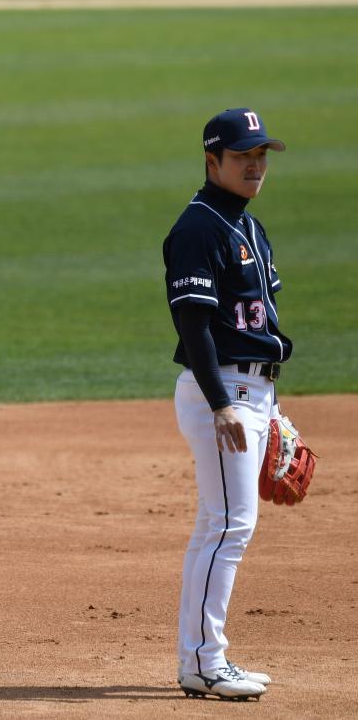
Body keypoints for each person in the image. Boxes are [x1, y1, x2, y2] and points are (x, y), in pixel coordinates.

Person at [163, 108, 291, 701]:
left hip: (252, 392)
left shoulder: (249, 227)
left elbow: (259, 322)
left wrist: (275, 408)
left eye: (261, 155)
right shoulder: (199, 228)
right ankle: (205, 662)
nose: (255, 165)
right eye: (243, 157)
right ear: (212, 161)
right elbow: (195, 325)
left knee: (223, 525)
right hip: (223, 393)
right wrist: (222, 405)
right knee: (229, 526)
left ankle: (201, 660)